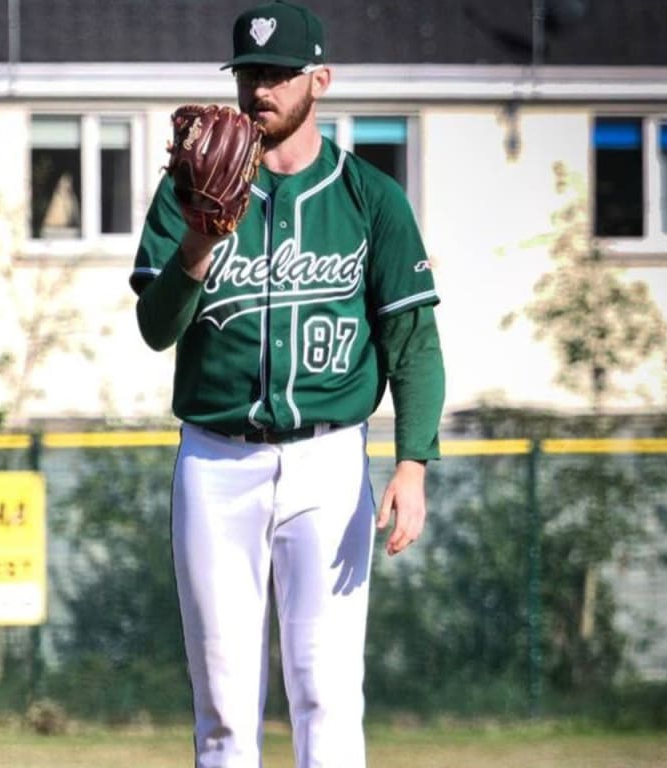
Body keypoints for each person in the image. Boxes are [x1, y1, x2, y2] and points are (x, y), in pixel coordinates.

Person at [129, 2, 445, 766]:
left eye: (277, 73)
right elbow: (156, 328)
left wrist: (413, 461)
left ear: (320, 80)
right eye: (249, 73)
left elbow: (412, 340)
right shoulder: (188, 191)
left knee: (327, 694)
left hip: (330, 461)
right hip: (216, 459)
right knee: (225, 707)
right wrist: (200, 242)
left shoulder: (371, 198)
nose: (260, 89)